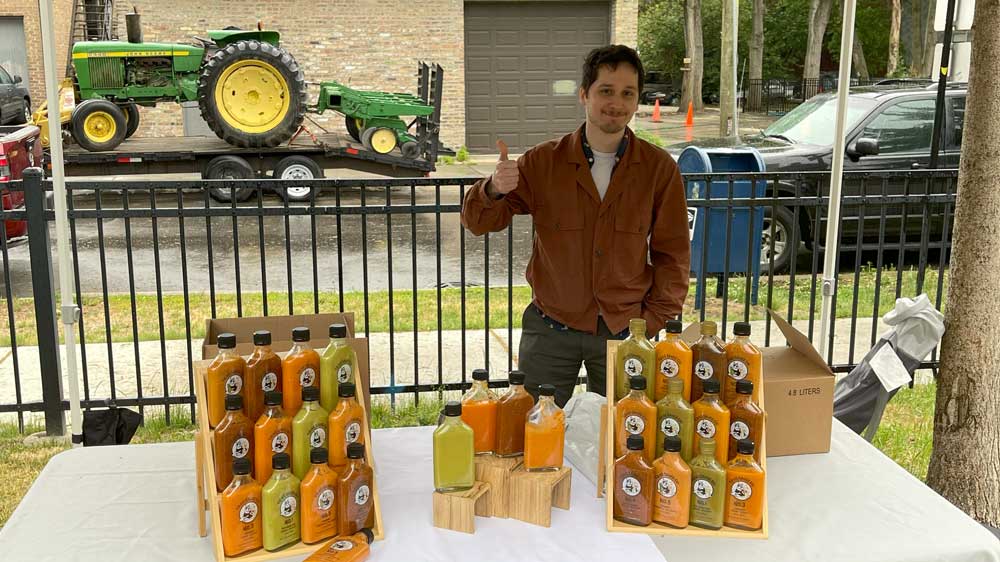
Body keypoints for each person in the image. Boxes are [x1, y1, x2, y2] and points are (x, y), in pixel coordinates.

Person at [460, 45, 691, 407]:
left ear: (637, 100)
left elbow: (673, 253)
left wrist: (651, 321)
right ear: (585, 94)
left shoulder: (658, 169)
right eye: (606, 91)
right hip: (550, 329)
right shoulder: (543, 162)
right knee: (535, 434)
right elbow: (478, 222)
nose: (616, 102)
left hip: (625, 331)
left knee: (622, 438)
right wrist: (493, 188)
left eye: (627, 93)